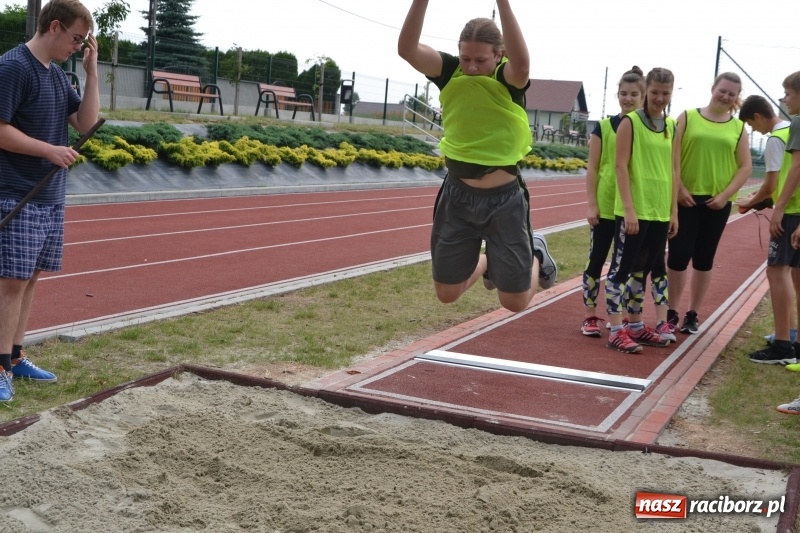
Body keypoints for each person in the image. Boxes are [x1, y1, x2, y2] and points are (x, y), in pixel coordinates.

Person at [398, 0, 556, 314]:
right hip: (458, 196)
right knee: (447, 293)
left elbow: (523, 64)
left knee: (513, 302)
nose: (471, 67)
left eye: (481, 60)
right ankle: (487, 263)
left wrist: (503, 4)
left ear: (499, 55)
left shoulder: (507, 79)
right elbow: (407, 50)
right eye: (465, 58)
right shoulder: (448, 71)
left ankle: (537, 253)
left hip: (504, 201)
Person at [0, 0, 99, 402]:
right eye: (76, 38)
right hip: (15, 193)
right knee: (11, 282)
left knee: (30, 278)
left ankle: (15, 355)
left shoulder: (57, 76)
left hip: (50, 196)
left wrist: (92, 74)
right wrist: (48, 150)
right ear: (54, 26)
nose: (78, 47)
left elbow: (87, 124)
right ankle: (0, 365)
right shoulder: (12, 67)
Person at [582, 67, 675, 343]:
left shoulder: (656, 125)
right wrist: (592, 204)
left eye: (634, 94)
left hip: (640, 204)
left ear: (641, 95)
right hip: (609, 205)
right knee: (598, 260)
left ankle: (633, 321)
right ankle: (591, 316)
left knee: (640, 266)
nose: (628, 98)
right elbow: (594, 168)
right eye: (623, 93)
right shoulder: (606, 127)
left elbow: (668, 167)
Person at [667, 72, 752, 335]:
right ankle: (671, 312)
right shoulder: (687, 117)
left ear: (736, 97)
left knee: (704, 259)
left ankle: (692, 314)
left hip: (717, 203)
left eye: (731, 94)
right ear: (713, 88)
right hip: (685, 199)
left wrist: (726, 195)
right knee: (678, 256)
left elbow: (745, 167)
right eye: (722, 90)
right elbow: (672, 156)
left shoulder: (738, 128)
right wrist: (679, 189)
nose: (725, 96)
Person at [734, 95, 798, 364]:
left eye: (752, 124)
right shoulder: (791, 129)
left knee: (776, 271)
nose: (754, 130)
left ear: (758, 117)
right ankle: (792, 336)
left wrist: (751, 201)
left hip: (790, 211)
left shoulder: (775, 138)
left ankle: (783, 346)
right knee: (793, 274)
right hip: (795, 209)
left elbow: (771, 184)